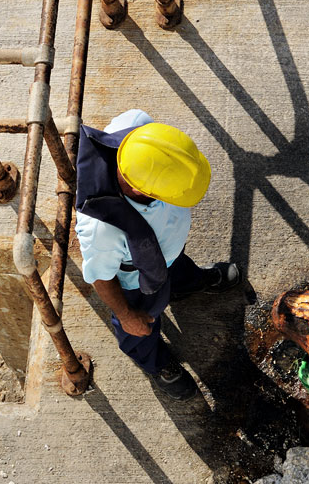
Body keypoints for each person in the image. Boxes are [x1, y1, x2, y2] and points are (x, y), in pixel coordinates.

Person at [74, 109, 241, 400]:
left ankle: (190, 283)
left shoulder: (136, 127)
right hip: (138, 281)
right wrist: (127, 315)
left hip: (168, 254)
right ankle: (156, 362)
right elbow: (101, 278)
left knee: (179, 270)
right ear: (140, 189)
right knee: (140, 330)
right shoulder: (103, 230)